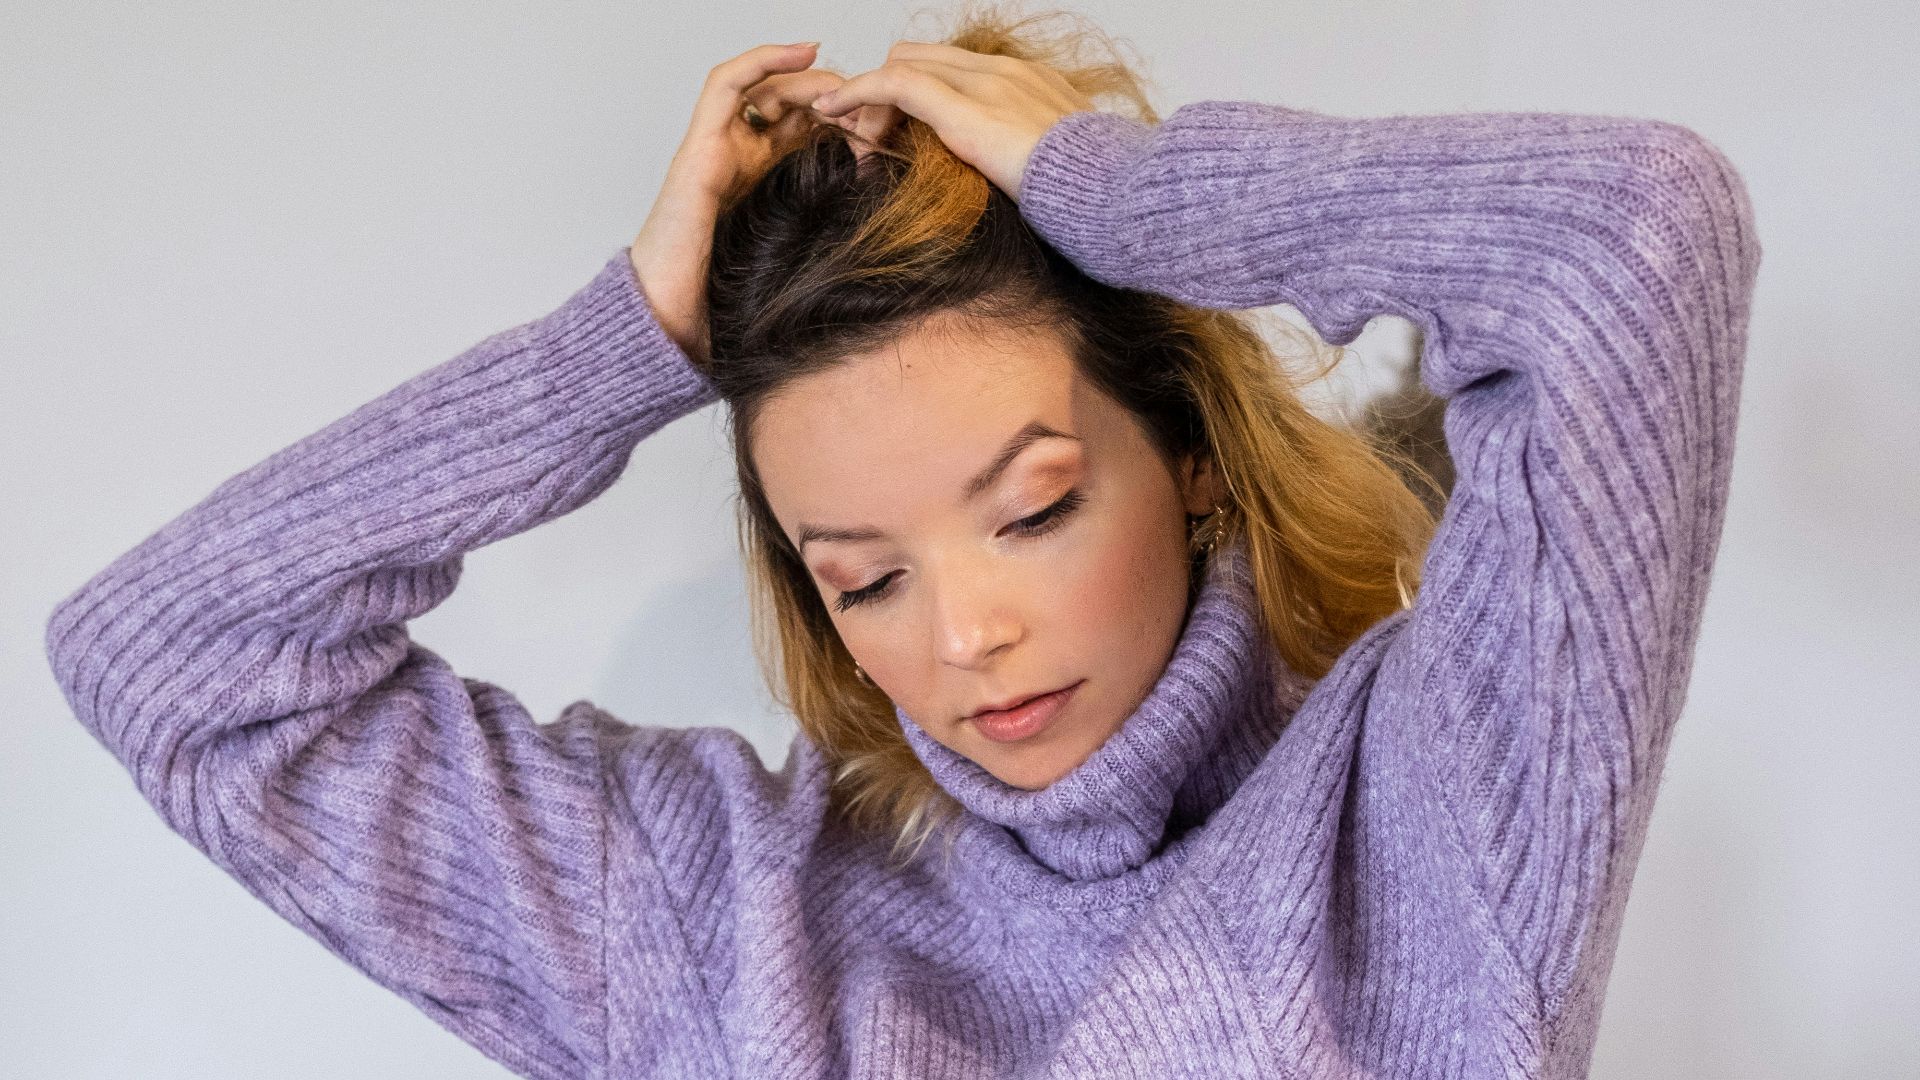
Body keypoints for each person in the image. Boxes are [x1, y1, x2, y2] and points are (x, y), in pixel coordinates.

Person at [43, 5, 1761, 1077]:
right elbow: (168, 661)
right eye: (863, 574)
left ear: (1193, 460)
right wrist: (622, 346)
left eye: (1030, 510)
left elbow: (1634, 237)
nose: (966, 635)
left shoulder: (1439, 803)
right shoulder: (715, 909)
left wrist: (1133, 198)